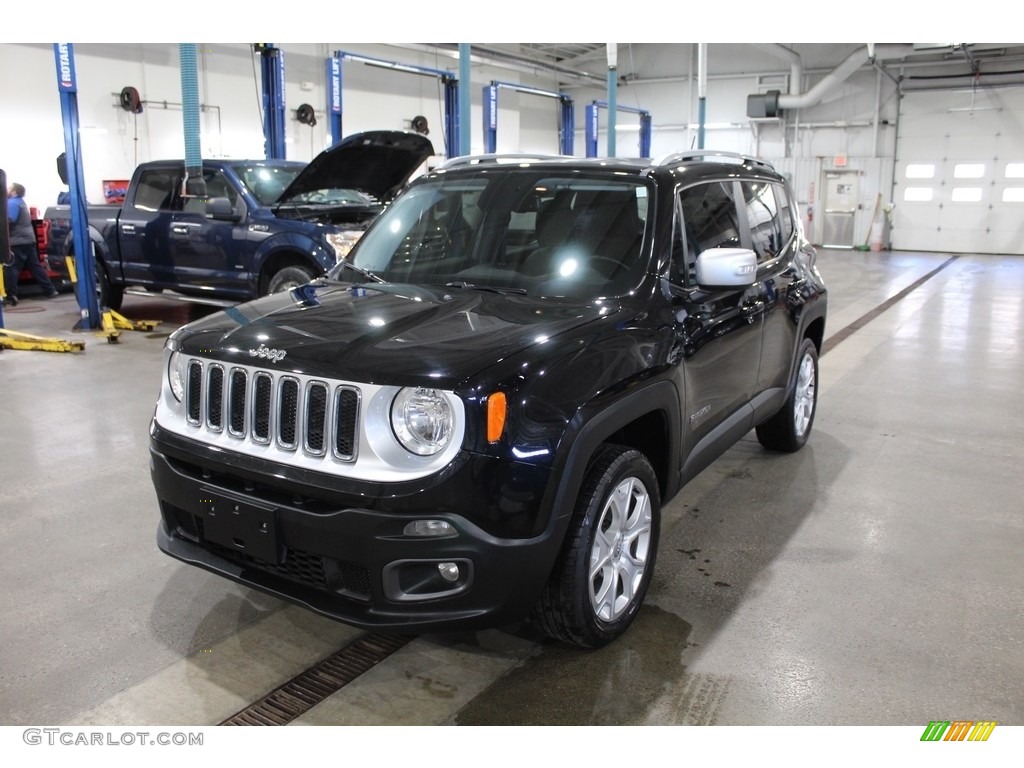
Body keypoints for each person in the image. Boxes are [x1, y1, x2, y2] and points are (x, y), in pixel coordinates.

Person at [5, 182, 59, 306]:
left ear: (14, 191)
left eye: (9, 188)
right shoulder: (20, 202)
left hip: (18, 241)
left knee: (11, 267)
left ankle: (11, 295)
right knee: (35, 267)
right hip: (28, 240)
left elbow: (9, 220)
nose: (6, 189)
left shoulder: (12, 203)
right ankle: (50, 290)